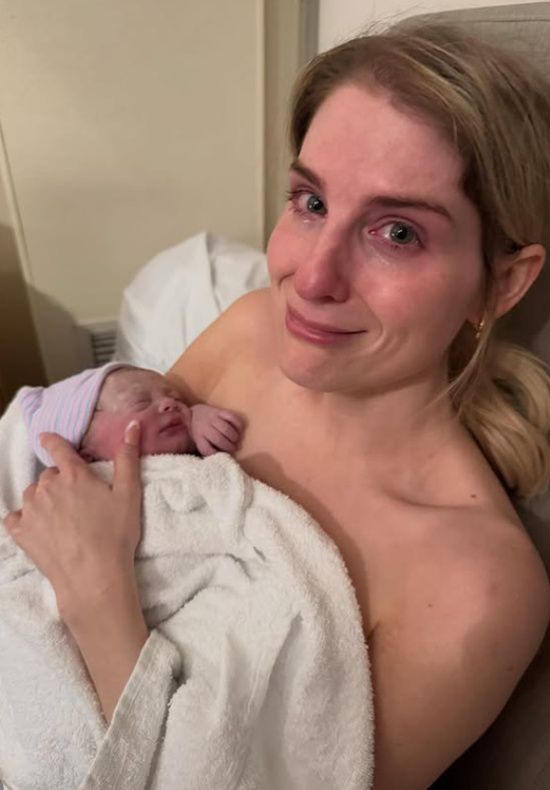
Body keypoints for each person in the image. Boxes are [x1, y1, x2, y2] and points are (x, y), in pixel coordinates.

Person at [5, 21, 550, 789]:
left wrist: (99, 600)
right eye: (311, 201)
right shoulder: (251, 332)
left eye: (397, 232)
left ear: (504, 283)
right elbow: (112, 473)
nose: (311, 277)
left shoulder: (474, 587)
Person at [17, 362, 244, 465]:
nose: (169, 403)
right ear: (86, 456)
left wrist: (199, 417)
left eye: (176, 397)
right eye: (140, 402)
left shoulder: (191, 457)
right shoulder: (95, 494)